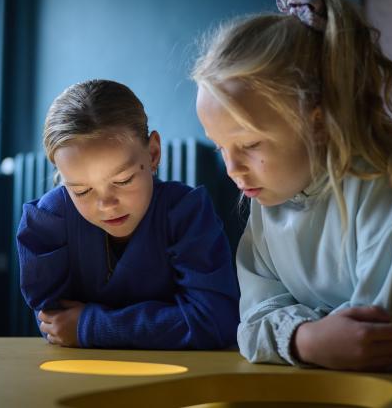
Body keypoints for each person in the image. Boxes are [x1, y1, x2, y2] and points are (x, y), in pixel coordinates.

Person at [192, 0, 392, 371]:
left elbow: (368, 339)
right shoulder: (267, 196)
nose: (231, 169)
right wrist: (303, 338)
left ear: (318, 123)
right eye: (220, 147)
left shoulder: (387, 189)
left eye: (250, 144)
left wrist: (298, 333)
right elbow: (251, 324)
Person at [17, 79, 239, 350]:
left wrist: (91, 326)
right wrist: (168, 322)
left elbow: (215, 322)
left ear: (153, 153)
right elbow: (55, 326)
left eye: (123, 180)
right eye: (81, 190)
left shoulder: (186, 213)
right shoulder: (46, 222)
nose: (107, 204)